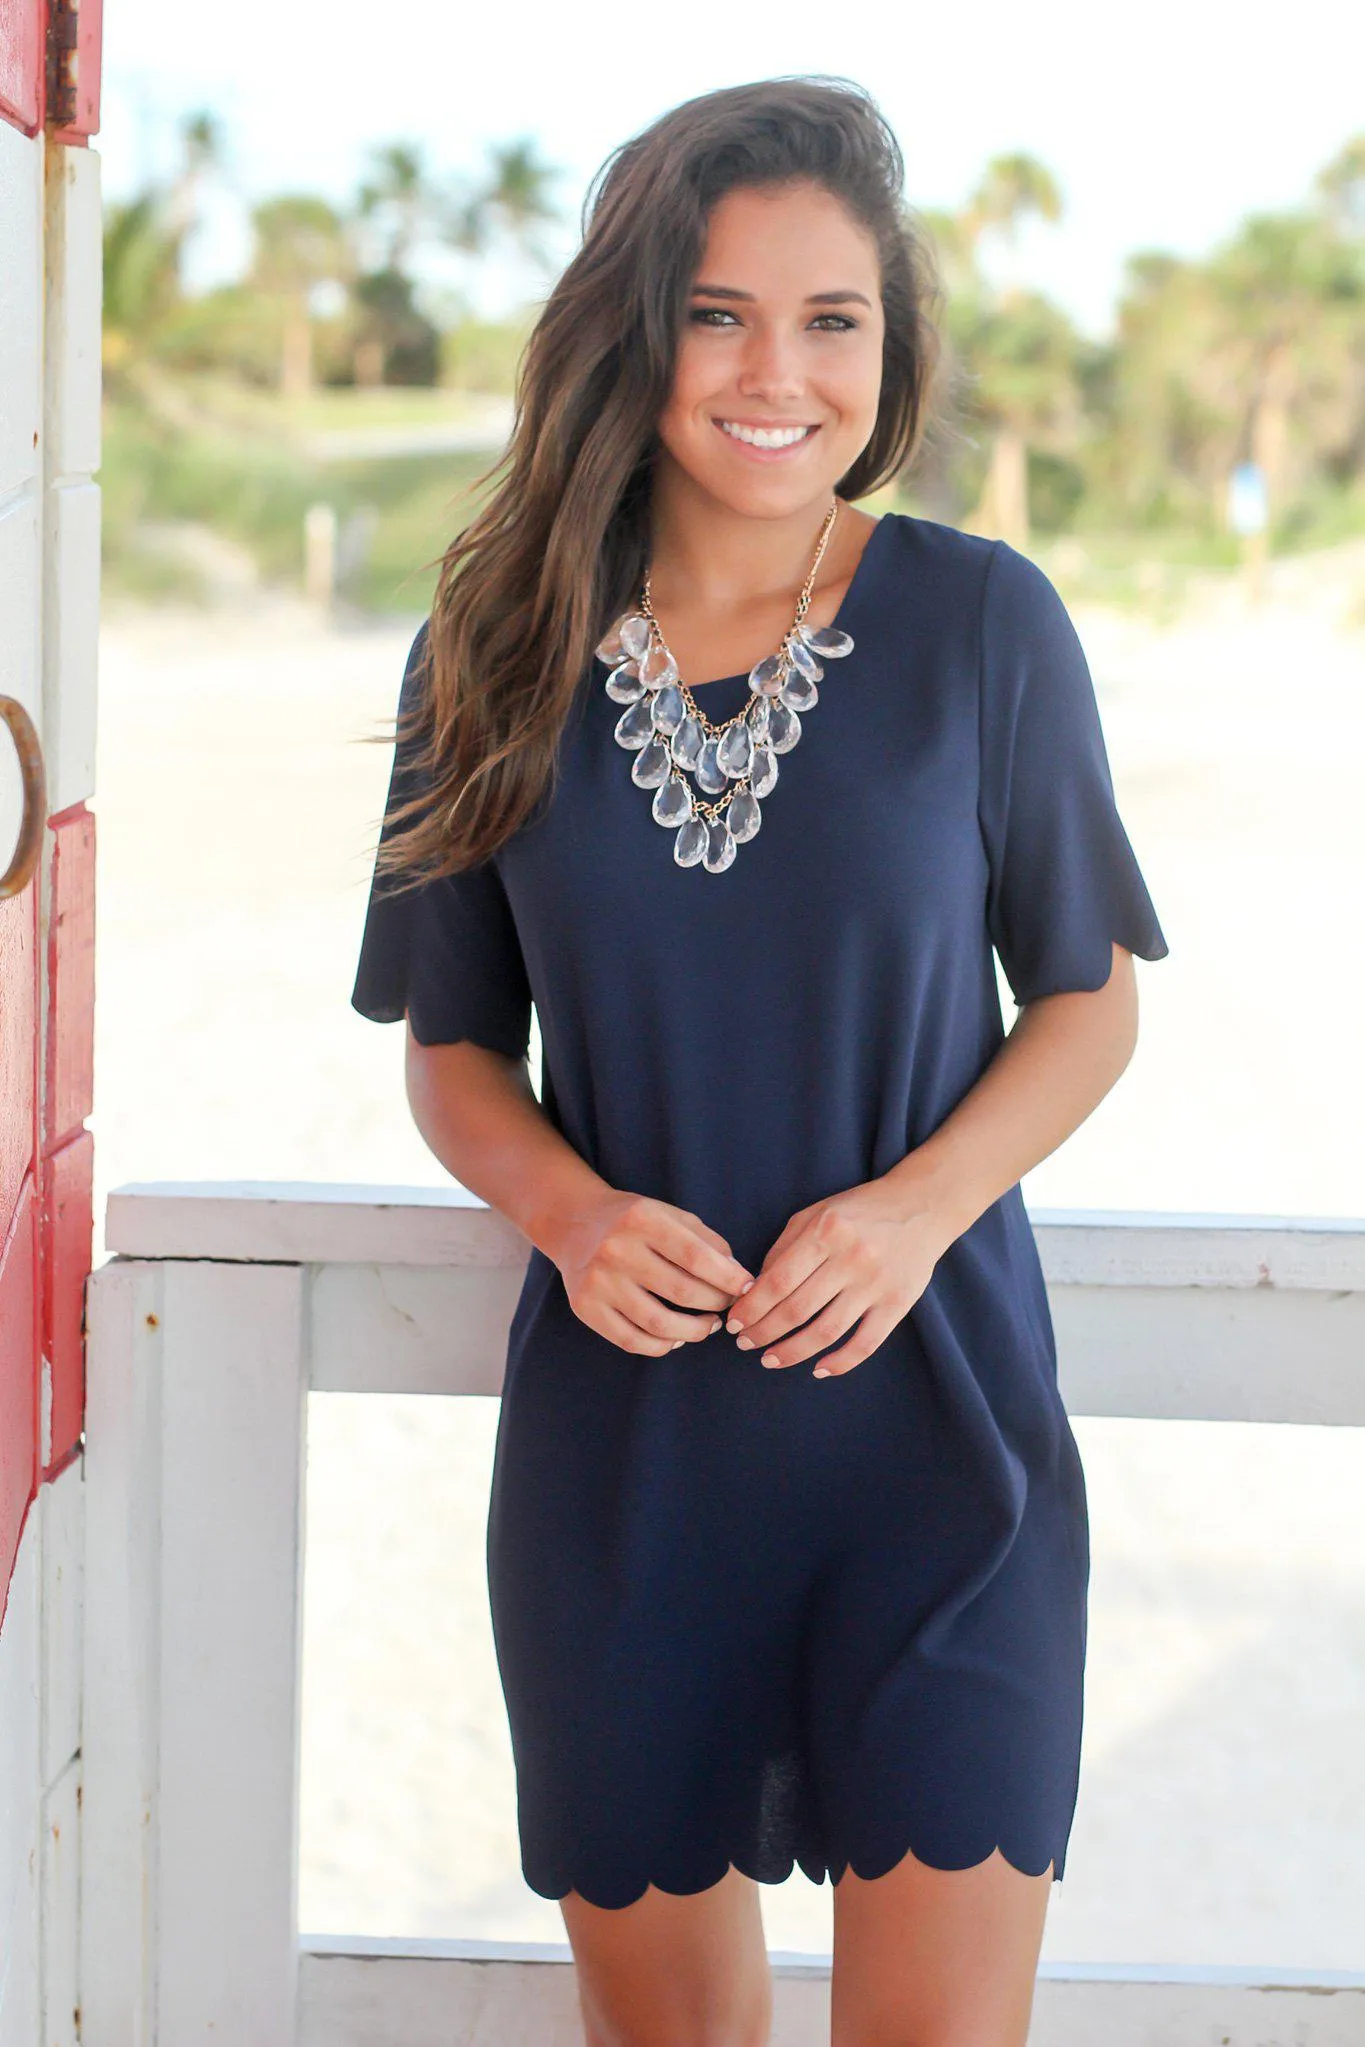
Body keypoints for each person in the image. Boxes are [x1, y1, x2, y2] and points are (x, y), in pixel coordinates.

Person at [350, 74, 1169, 2047]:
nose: (775, 372)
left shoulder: (988, 627)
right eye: (718, 313)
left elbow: (1087, 999)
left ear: (886, 354)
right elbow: (454, 1048)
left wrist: (910, 1214)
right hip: (628, 1470)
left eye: (834, 320)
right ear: (635, 332)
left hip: (941, 1448)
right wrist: (563, 1206)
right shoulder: (488, 647)